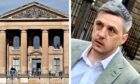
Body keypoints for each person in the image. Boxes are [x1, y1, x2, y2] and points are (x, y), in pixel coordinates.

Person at [71, 0, 140, 84]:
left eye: (111, 30)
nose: (101, 34)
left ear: (123, 39)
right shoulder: (69, 45)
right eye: (99, 24)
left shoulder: (131, 79)